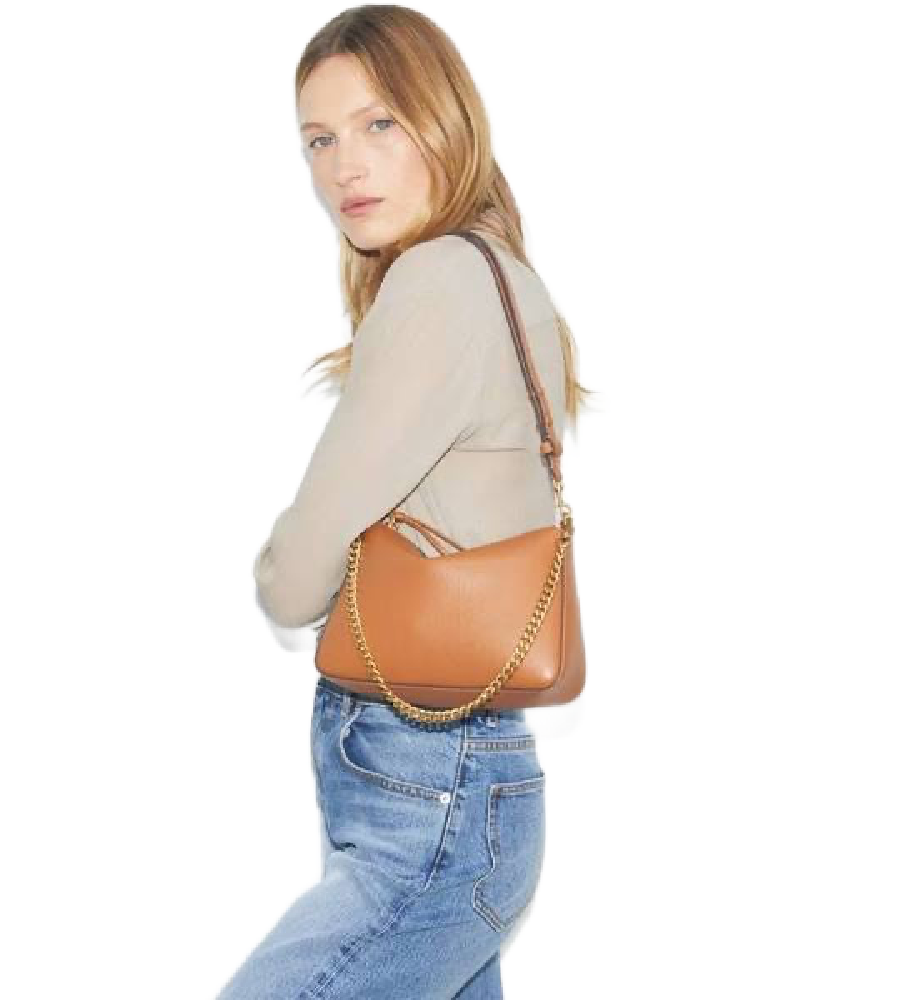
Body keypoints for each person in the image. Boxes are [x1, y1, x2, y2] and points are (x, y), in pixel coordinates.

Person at [215, 6, 588, 998]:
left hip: (427, 799)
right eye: (318, 139)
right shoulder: (500, 275)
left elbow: (297, 576)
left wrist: (277, 564)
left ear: (445, 120)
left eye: (379, 123)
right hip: (454, 784)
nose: (345, 166)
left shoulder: (438, 281)